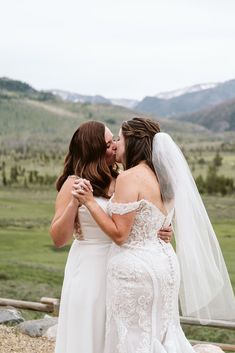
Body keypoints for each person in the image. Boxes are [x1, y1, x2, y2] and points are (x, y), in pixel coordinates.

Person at [75, 117, 235, 353]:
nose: (117, 144)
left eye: (120, 138)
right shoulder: (166, 177)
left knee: (133, 336)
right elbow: (157, 219)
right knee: (161, 330)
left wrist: (89, 202)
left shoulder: (129, 177)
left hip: (135, 270)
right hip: (166, 265)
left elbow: (120, 235)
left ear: (133, 142)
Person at [50, 120, 173, 353]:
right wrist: (74, 205)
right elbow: (58, 239)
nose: (114, 147)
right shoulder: (72, 183)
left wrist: (158, 230)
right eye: (107, 144)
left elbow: (133, 221)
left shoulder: (123, 179)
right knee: (89, 329)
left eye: (114, 142)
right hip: (88, 266)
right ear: (92, 149)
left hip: (122, 268)